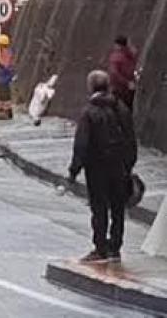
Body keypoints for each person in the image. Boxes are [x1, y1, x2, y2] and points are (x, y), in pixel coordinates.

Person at [68, 70, 137, 263]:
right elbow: (131, 137)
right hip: (120, 166)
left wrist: (74, 170)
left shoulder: (89, 112)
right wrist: (129, 163)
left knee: (99, 208)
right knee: (118, 208)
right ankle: (115, 247)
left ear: (91, 87)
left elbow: (81, 144)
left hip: (97, 167)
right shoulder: (121, 108)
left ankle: (100, 247)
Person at [108, 36, 137, 110]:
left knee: (118, 110)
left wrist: (126, 83)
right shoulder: (130, 55)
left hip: (119, 89)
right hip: (130, 88)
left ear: (118, 45)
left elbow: (114, 73)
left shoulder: (116, 57)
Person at [0, 34, 15, 120]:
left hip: (4, 79)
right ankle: (0, 111)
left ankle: (5, 112)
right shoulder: (0, 53)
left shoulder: (7, 53)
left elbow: (6, 67)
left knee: (4, 96)